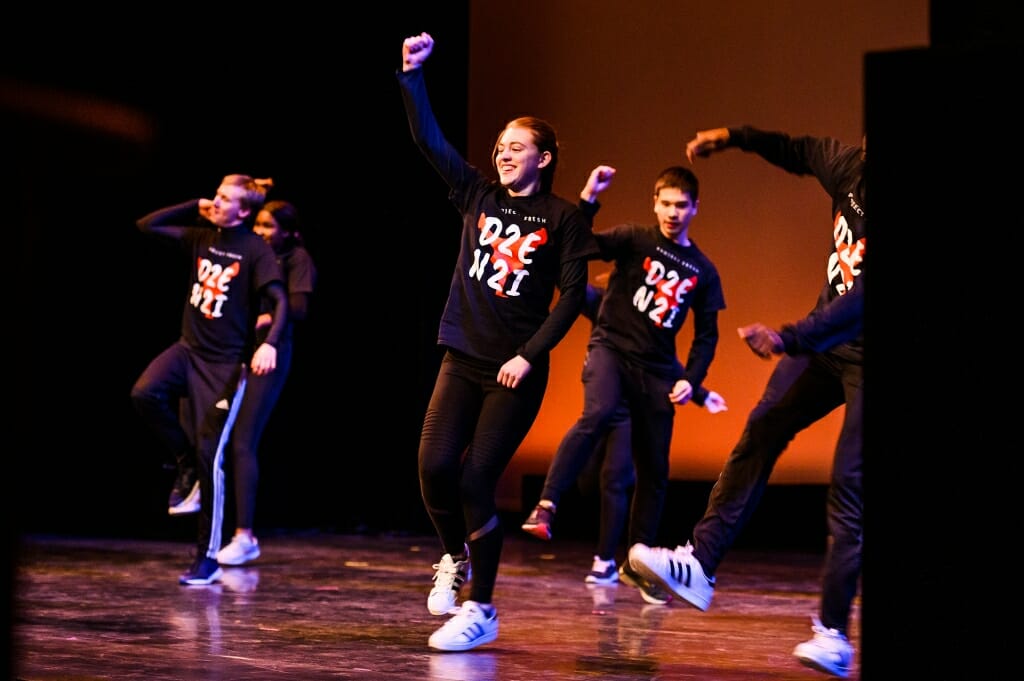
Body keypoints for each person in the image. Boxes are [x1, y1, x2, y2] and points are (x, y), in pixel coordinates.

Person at [628, 126, 864, 679]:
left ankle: (833, 635)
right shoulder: (851, 169)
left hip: (851, 347)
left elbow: (859, 304)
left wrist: (790, 337)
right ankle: (700, 565)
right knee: (762, 430)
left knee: (850, 488)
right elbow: (796, 151)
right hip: (826, 348)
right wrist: (732, 137)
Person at [398, 32, 598, 652]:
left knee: (476, 483)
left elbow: (572, 298)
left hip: (514, 371)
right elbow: (429, 141)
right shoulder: (477, 194)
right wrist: (412, 78)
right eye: (501, 146)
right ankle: (453, 555)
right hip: (462, 357)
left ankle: (482, 609)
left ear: (544, 157)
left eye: (518, 147)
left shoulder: (565, 218)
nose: (505, 154)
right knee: (433, 467)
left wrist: (527, 354)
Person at [524, 164, 728, 606]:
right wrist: (587, 199)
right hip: (611, 351)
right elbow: (579, 245)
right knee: (596, 414)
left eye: (681, 205)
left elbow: (708, 334)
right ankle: (547, 504)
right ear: (654, 203)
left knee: (654, 470)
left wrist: (692, 382)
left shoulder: (703, 270)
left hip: (656, 373)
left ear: (695, 208)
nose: (672, 213)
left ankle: (638, 563)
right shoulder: (635, 238)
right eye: (666, 204)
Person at [131, 174, 287, 586]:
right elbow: (147, 225)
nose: (215, 203)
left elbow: (280, 300)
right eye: (216, 195)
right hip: (187, 351)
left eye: (223, 199)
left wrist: (269, 343)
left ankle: (208, 557)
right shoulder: (203, 236)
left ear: (244, 209)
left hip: (223, 366)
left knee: (210, 456)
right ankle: (184, 466)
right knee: (145, 393)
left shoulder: (255, 250)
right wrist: (192, 202)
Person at [215, 200, 317, 566]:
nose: (260, 232)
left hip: (271, 355)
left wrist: (266, 319)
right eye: (257, 224)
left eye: (268, 226)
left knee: (243, 441)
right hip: (235, 354)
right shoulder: (253, 256)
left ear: (287, 231)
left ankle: (244, 536)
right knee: (217, 436)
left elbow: (300, 309)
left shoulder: (295, 259)